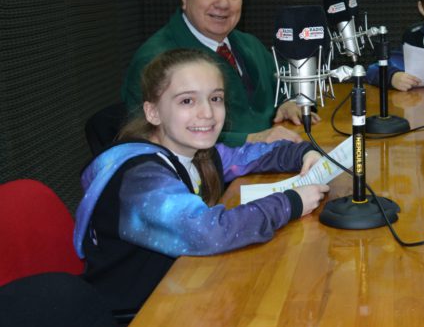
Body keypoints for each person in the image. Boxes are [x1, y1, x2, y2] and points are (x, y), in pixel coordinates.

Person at [77, 49, 330, 313]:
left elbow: (251, 155)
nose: (207, 113)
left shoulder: (196, 153)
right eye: (187, 101)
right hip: (137, 322)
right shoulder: (139, 179)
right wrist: (291, 202)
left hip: (182, 292)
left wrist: (304, 152)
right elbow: (208, 232)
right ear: (153, 113)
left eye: (215, 98)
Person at [122, 0, 313, 145]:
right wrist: (250, 140)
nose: (223, 3)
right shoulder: (156, 59)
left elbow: (284, 84)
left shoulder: (249, 44)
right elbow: (153, 136)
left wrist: (287, 103)